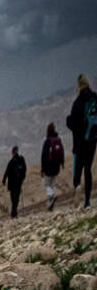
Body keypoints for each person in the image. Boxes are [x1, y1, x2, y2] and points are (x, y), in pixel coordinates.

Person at [69, 74, 97, 208]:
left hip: (80, 141)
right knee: (88, 169)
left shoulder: (77, 102)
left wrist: (68, 121)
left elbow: (73, 123)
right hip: (92, 139)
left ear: (79, 86)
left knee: (78, 168)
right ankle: (87, 200)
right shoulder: (95, 98)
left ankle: (77, 185)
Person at [43, 123, 66, 211]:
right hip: (56, 166)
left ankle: (52, 195)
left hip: (48, 166)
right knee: (52, 184)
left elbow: (44, 155)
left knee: (47, 184)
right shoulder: (58, 139)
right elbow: (62, 151)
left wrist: (42, 168)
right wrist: (62, 163)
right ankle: (50, 204)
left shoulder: (47, 141)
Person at [3, 146, 27, 218]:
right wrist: (22, 178)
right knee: (16, 198)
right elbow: (24, 169)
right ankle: (14, 212)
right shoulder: (21, 159)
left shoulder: (11, 161)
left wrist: (4, 180)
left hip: (12, 184)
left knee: (13, 198)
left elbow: (7, 172)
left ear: (13, 152)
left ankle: (13, 213)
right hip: (18, 183)